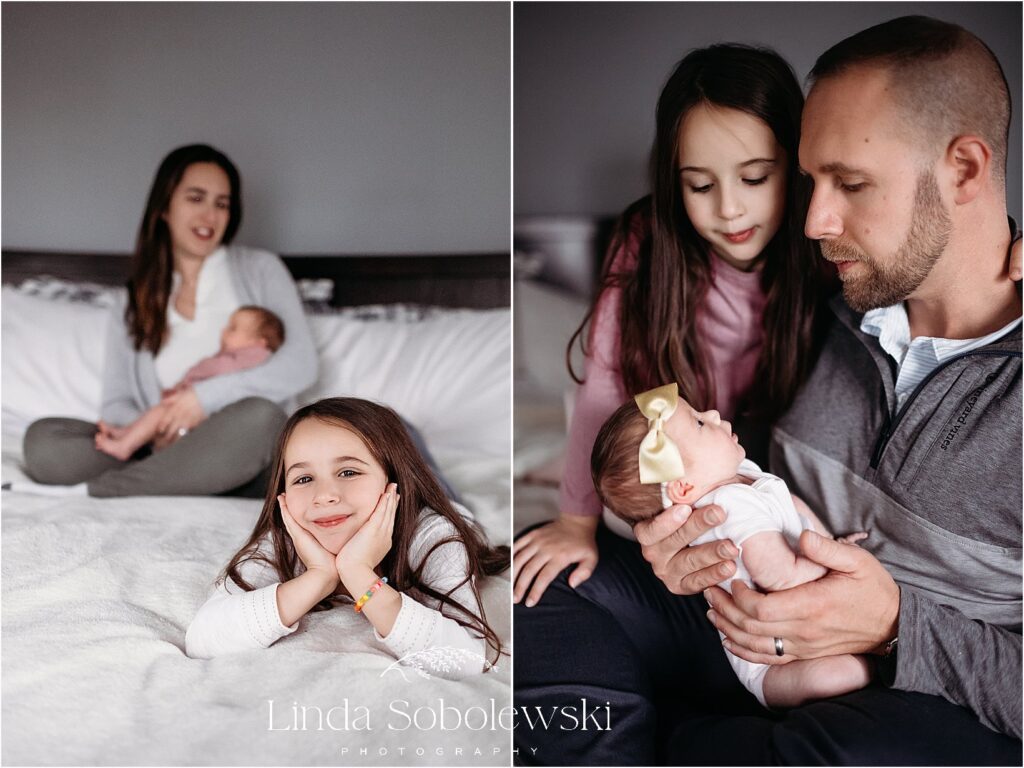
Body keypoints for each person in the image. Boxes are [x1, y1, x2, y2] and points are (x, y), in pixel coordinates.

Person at [513, 22, 1021, 765]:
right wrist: (677, 541)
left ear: (966, 170)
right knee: (534, 591)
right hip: (739, 619)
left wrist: (897, 627)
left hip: (916, 683)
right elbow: (627, 394)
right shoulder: (835, 293)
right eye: (812, 183)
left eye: (849, 184)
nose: (813, 223)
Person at [20, 144, 318, 498]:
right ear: (163, 207)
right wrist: (154, 429)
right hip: (161, 450)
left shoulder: (261, 270)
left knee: (263, 419)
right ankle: (185, 478)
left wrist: (202, 400)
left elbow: (301, 365)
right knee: (43, 442)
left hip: (244, 446)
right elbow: (116, 401)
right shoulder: (132, 301)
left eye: (222, 204)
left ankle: (110, 490)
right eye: (196, 198)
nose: (210, 215)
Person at [185, 397, 509, 679]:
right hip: (380, 464)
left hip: (427, 496)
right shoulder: (288, 536)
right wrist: (319, 577)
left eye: (348, 472)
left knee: (414, 456)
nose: (324, 495)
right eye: (304, 478)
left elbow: (465, 660)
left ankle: (401, 438)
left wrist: (359, 575)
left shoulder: (433, 533)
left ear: (391, 482)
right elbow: (202, 638)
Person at [591, 383, 871, 709]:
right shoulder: (728, 505)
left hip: (808, 622)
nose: (712, 413)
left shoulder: (738, 474)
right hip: (771, 662)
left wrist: (828, 542)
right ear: (684, 487)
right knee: (844, 675)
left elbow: (790, 505)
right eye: (698, 423)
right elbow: (780, 576)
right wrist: (839, 560)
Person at [94, 305, 285, 461]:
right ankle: (126, 434)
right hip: (199, 421)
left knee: (160, 413)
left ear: (260, 342)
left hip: (209, 425)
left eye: (233, 329)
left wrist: (188, 386)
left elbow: (217, 376)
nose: (223, 332)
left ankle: (124, 445)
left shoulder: (256, 356)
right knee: (158, 413)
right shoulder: (234, 358)